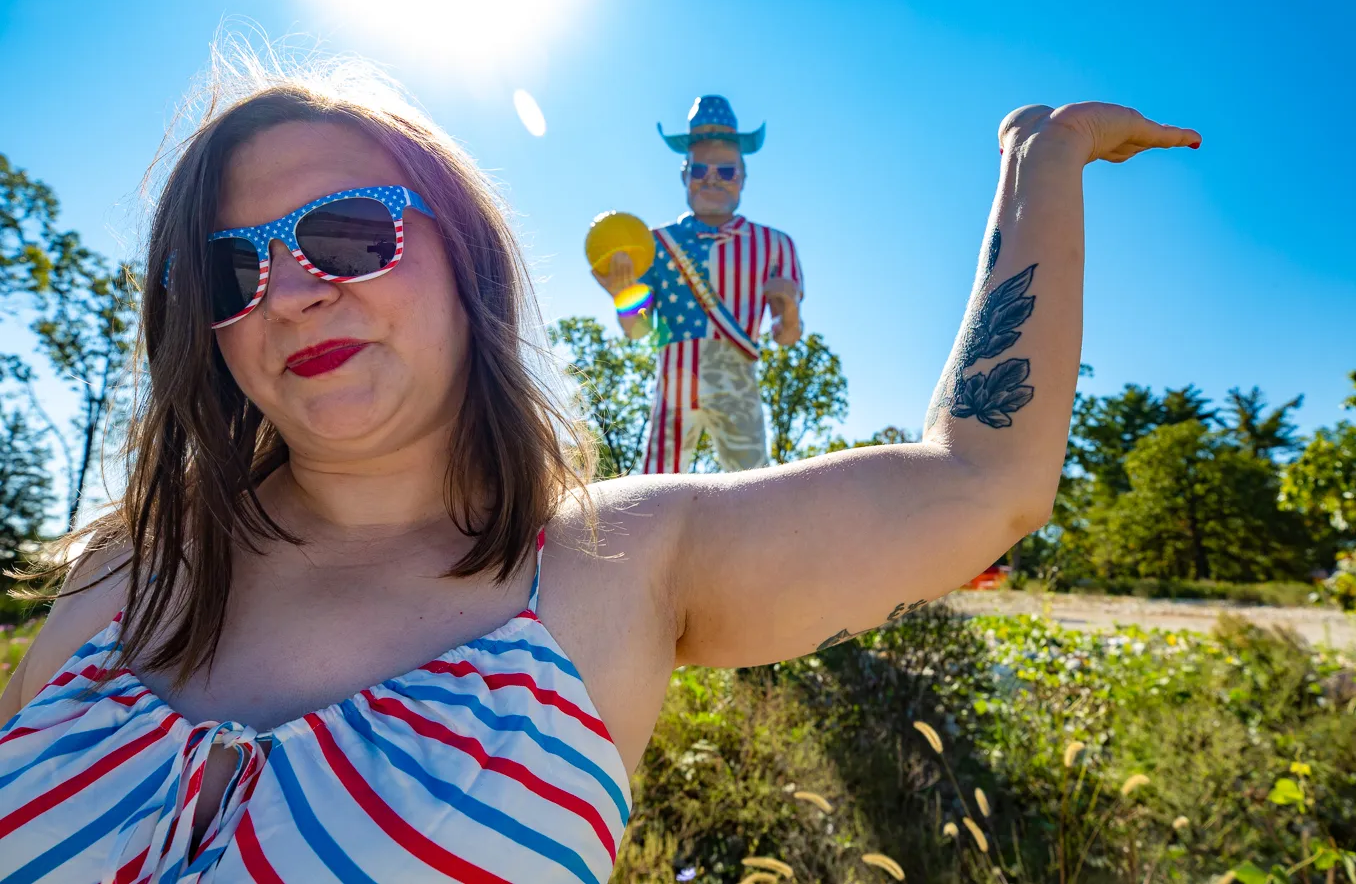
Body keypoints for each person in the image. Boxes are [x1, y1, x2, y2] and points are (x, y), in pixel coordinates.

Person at [0, 59, 1198, 883]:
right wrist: (648, 293)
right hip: (676, 385)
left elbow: (983, 479)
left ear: (462, 258)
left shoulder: (616, 566)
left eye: (351, 233)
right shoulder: (122, 572)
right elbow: (633, 325)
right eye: (230, 272)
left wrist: (1041, 160)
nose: (297, 287)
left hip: (726, 397)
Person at [592, 95, 803, 474]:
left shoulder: (775, 245)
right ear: (684, 173)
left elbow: (786, 336)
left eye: (725, 171)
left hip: (739, 383)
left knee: (754, 487)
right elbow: (638, 329)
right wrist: (624, 295)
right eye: (701, 169)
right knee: (656, 487)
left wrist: (789, 310)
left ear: (743, 177)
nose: (711, 179)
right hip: (675, 381)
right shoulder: (653, 244)